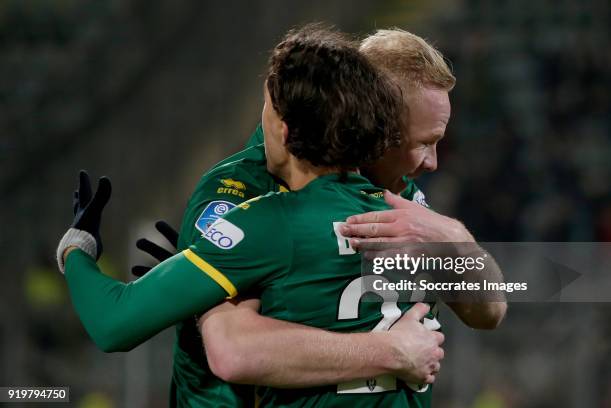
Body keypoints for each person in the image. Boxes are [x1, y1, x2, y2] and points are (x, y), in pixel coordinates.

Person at [56, 25, 444, 407]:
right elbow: (494, 301)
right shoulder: (406, 211)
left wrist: (77, 248)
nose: (432, 160)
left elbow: (120, 326)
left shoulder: (261, 217)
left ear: (286, 127)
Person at [134, 28, 506, 406]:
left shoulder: (397, 195)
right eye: (421, 143)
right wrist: (392, 351)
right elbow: (234, 348)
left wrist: (451, 237)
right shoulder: (240, 190)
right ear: (373, 124)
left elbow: (490, 309)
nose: (433, 162)